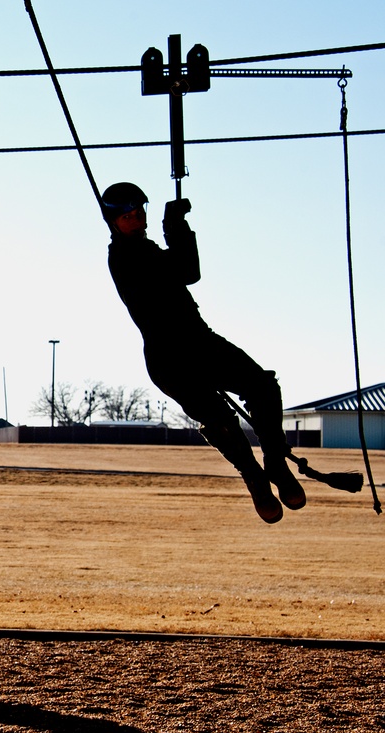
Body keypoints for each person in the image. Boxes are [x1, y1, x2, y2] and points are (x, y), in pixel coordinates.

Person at [101, 182, 305, 524]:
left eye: (140, 213)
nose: (138, 220)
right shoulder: (125, 257)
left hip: (200, 341)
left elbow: (187, 272)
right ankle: (255, 478)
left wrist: (175, 227)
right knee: (220, 419)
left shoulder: (144, 248)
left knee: (263, 386)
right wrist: (175, 228)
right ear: (114, 222)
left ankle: (276, 464)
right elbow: (183, 272)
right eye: (129, 216)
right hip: (170, 357)